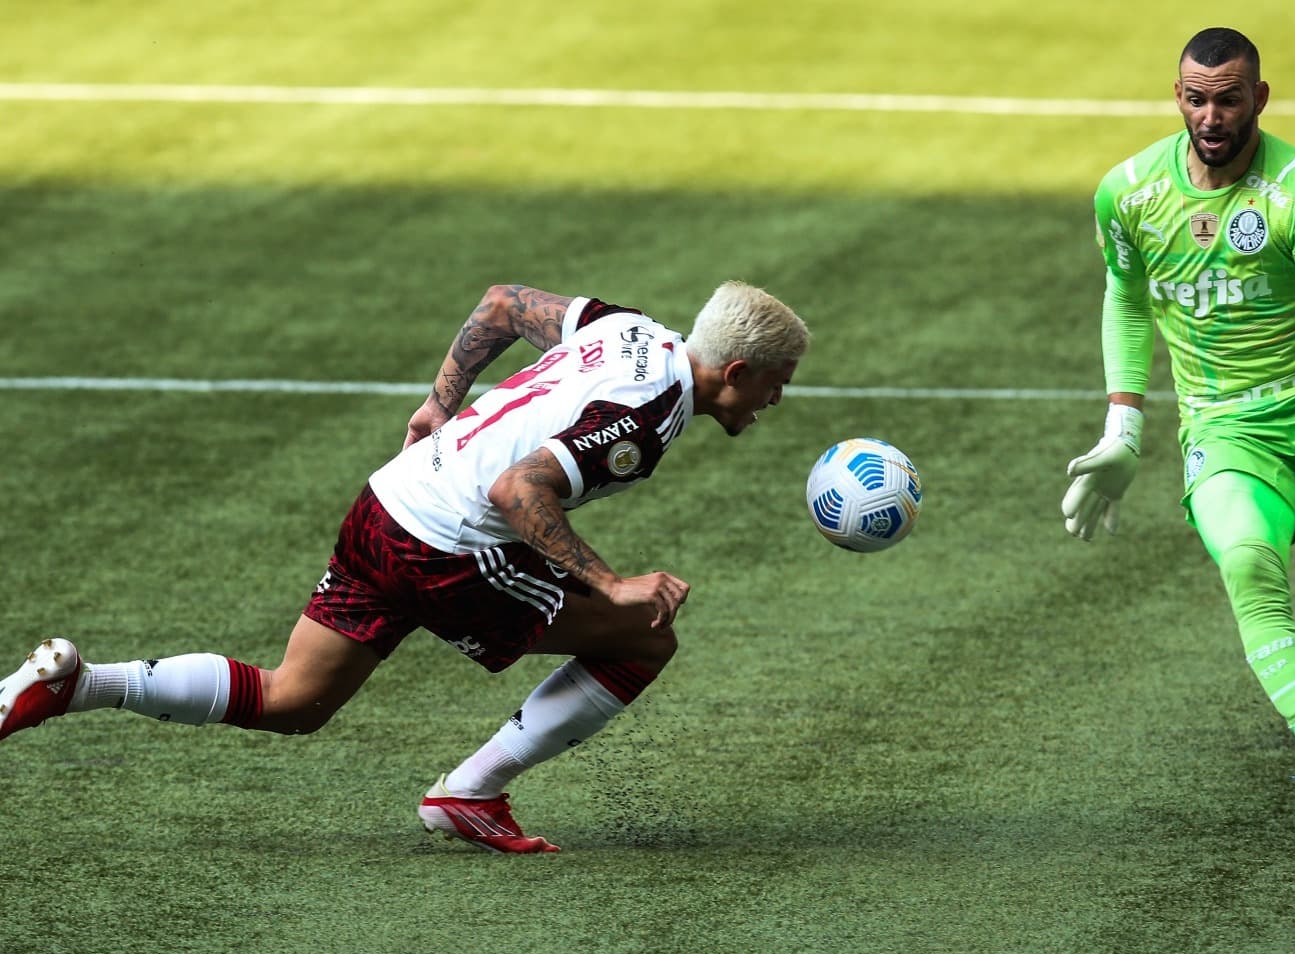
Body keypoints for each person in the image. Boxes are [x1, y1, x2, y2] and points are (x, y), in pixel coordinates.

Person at [0, 281, 809, 852]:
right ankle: (470, 793)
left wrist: (441, 400)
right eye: (779, 383)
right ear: (737, 372)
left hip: (388, 502)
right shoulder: (654, 413)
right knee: (643, 637)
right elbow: (519, 488)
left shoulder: (623, 327)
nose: (776, 400)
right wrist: (612, 583)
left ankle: (79, 683)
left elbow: (499, 302)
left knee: (295, 700)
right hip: (448, 549)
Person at [1061, 26, 1295, 826]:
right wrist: (1123, 427)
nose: (1211, 116)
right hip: (1225, 425)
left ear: (1258, 98)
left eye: (1228, 99)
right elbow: (1126, 298)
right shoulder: (1128, 194)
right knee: (1246, 561)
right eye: (1196, 98)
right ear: (1178, 97)